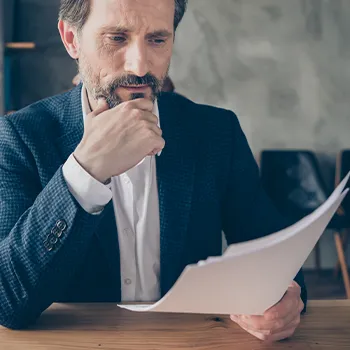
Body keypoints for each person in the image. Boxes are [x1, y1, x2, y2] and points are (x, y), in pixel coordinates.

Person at [0, 0, 306, 341]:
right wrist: (86, 170)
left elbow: (277, 256)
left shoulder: (217, 133)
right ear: (72, 39)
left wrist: (285, 298)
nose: (140, 65)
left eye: (158, 39)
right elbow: (8, 301)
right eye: (117, 38)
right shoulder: (20, 138)